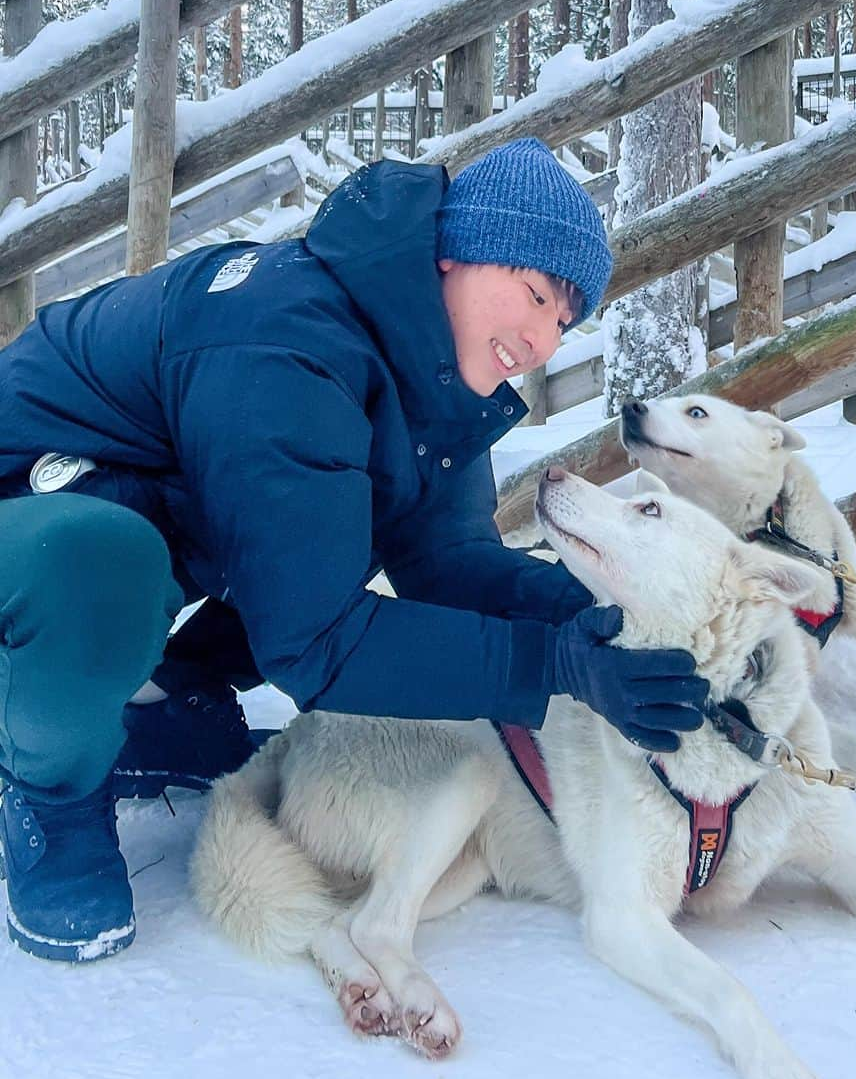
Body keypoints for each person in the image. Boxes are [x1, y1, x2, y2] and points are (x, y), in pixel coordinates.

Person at [0, 136, 706, 963]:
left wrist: (603, 614)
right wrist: (558, 668)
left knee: (327, 519)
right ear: (455, 255)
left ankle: (162, 707)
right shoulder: (286, 337)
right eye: (535, 293)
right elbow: (317, 643)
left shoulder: (430, 380)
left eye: (564, 318)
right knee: (106, 556)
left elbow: (447, 566)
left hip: (129, 507)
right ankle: (48, 787)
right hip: (33, 515)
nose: (545, 340)